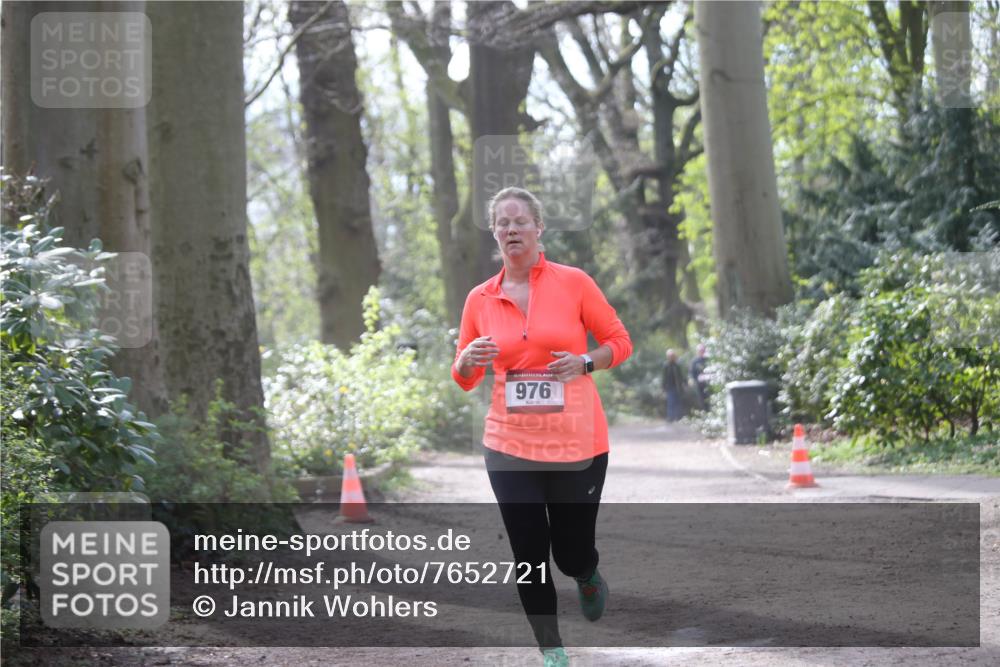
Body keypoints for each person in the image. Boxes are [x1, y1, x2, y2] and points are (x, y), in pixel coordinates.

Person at [452, 187, 632, 667]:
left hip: (577, 442)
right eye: (502, 223)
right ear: (495, 233)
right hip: (508, 443)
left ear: (538, 228)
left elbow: (619, 341)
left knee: (570, 552)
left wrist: (584, 362)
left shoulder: (574, 283)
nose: (511, 229)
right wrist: (466, 360)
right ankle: (552, 650)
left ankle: (586, 574)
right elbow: (465, 376)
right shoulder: (479, 299)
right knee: (529, 552)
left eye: (520, 221)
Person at [662, 348, 686, 421]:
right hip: (670, 387)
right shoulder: (666, 366)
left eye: (672, 356)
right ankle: (670, 417)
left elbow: (681, 375)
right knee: (671, 402)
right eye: (670, 356)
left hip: (678, 387)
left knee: (678, 402)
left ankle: (678, 417)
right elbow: (664, 377)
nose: (671, 357)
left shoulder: (677, 365)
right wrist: (663, 387)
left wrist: (685, 383)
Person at [690, 343, 710, 410]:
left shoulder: (708, 359)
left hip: (709, 384)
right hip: (700, 384)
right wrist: (695, 379)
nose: (702, 352)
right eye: (700, 351)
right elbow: (692, 373)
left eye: (703, 350)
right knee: (702, 399)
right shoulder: (694, 361)